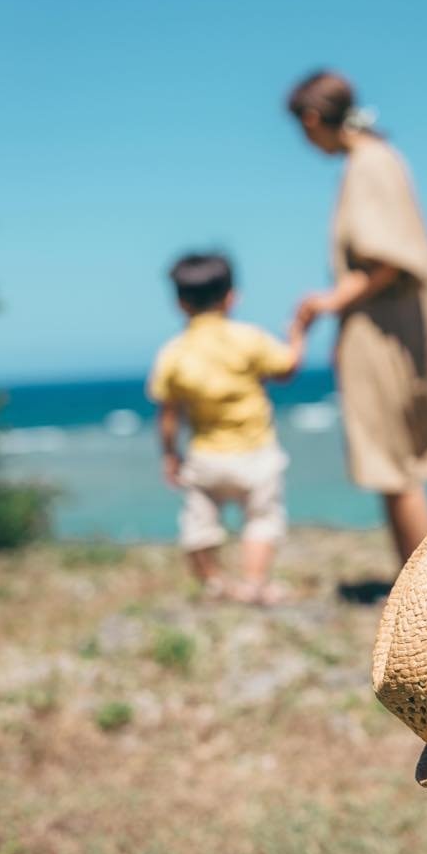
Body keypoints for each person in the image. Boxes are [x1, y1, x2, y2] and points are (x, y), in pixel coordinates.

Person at [287, 70, 427, 564]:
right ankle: (415, 587)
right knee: (393, 466)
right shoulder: (375, 159)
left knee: (393, 467)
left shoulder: (369, 163)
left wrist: (330, 301)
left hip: (385, 327)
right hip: (392, 321)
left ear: (311, 119)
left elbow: (387, 259)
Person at [148, 252, 304, 604]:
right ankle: (253, 583)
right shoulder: (248, 338)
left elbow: (168, 414)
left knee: (199, 523)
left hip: (206, 456)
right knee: (262, 519)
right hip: (256, 451)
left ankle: (214, 581)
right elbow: (287, 369)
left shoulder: (173, 353)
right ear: (232, 296)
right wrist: (297, 333)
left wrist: (170, 455)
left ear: (180, 304)